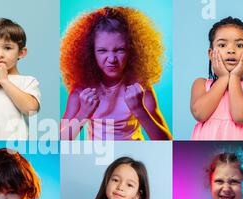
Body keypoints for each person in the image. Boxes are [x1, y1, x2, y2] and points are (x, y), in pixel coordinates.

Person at [60, 6, 171, 140]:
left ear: (132, 50)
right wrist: (83, 113)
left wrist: (140, 110)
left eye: (119, 50)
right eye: (102, 51)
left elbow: (167, 141)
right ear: (89, 53)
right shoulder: (81, 90)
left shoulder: (140, 88)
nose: (112, 59)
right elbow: (60, 141)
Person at [191, 17, 243, 140]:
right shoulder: (201, 84)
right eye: (222, 45)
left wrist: (235, 77)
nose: (231, 50)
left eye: (239, 45)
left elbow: (240, 116)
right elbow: (200, 114)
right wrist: (223, 77)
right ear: (211, 54)